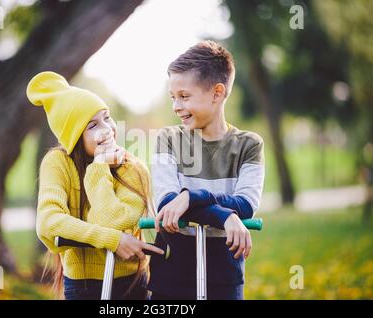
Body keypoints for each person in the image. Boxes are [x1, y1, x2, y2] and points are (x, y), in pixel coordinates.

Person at [26, 71, 163, 300]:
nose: (107, 129)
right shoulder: (57, 162)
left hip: (130, 285)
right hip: (81, 287)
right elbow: (48, 223)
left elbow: (114, 221)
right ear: (74, 137)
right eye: (92, 125)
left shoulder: (133, 168)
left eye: (107, 118)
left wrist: (99, 167)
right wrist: (113, 241)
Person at [148, 41, 265, 300]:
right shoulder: (167, 139)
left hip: (224, 276)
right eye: (173, 98)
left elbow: (245, 204)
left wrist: (190, 197)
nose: (176, 106)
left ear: (217, 92)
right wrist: (225, 216)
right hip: (171, 275)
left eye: (184, 96)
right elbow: (167, 202)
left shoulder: (249, 145)